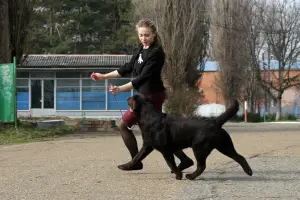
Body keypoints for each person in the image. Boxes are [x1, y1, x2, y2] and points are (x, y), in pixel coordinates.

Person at [91, 18, 193, 171]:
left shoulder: (156, 53)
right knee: (158, 133)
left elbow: (142, 78)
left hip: (152, 96)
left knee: (124, 125)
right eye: (141, 35)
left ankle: (136, 161)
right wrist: (104, 76)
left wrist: (120, 89)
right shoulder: (141, 49)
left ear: (154, 35)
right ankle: (183, 160)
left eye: (147, 35)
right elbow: (127, 67)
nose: (143, 38)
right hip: (144, 96)